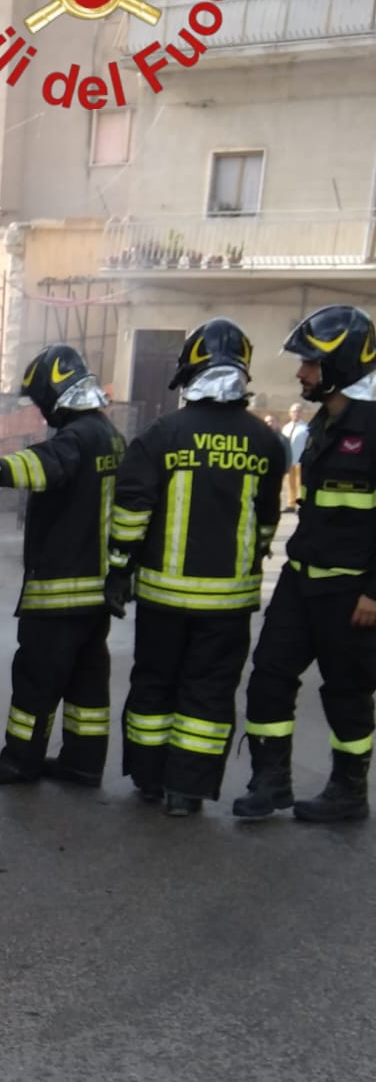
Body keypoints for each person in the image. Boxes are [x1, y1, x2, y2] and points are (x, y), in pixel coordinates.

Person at [106, 319, 284, 817]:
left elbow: (131, 513)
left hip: (164, 597)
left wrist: (119, 572)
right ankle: (187, 793)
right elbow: (267, 522)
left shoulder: (162, 435)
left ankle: (148, 778)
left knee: (156, 683)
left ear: (191, 373)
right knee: (207, 696)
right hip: (228, 604)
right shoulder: (267, 443)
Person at [0, 344, 126, 787]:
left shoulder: (74, 439)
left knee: (36, 679)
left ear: (55, 393)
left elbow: (39, 468)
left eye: (39, 400)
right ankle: (82, 763)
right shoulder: (110, 436)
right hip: (96, 590)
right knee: (87, 683)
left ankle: (20, 760)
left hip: (61, 589)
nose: (40, 410)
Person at [235, 304, 376, 823]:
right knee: (270, 676)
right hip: (303, 580)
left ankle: (348, 791)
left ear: (339, 365)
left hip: (352, 592)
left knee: (348, 694)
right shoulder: (325, 422)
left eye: (311, 364)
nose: (301, 373)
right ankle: (271, 782)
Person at [281, 403, 310, 511]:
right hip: (289, 461)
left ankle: (301, 504)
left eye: (298, 411)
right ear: (290, 413)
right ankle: (291, 504)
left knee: (301, 484)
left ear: (301, 413)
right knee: (290, 484)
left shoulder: (306, 428)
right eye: (293, 411)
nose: (296, 414)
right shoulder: (286, 427)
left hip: (300, 461)